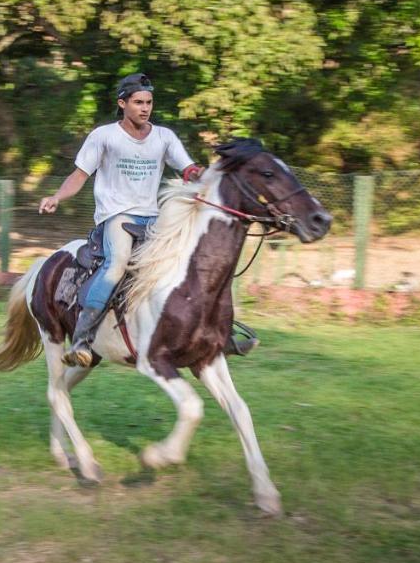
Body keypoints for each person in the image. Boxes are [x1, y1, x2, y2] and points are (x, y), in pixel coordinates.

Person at [39, 73, 257, 366]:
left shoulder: (164, 137)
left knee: (194, 263)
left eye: (149, 102)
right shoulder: (104, 137)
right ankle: (83, 337)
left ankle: (216, 334)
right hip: (116, 217)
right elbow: (79, 176)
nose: (145, 108)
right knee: (116, 265)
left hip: (154, 219)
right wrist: (56, 197)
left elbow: (189, 169)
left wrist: (214, 177)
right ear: (122, 103)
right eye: (138, 102)